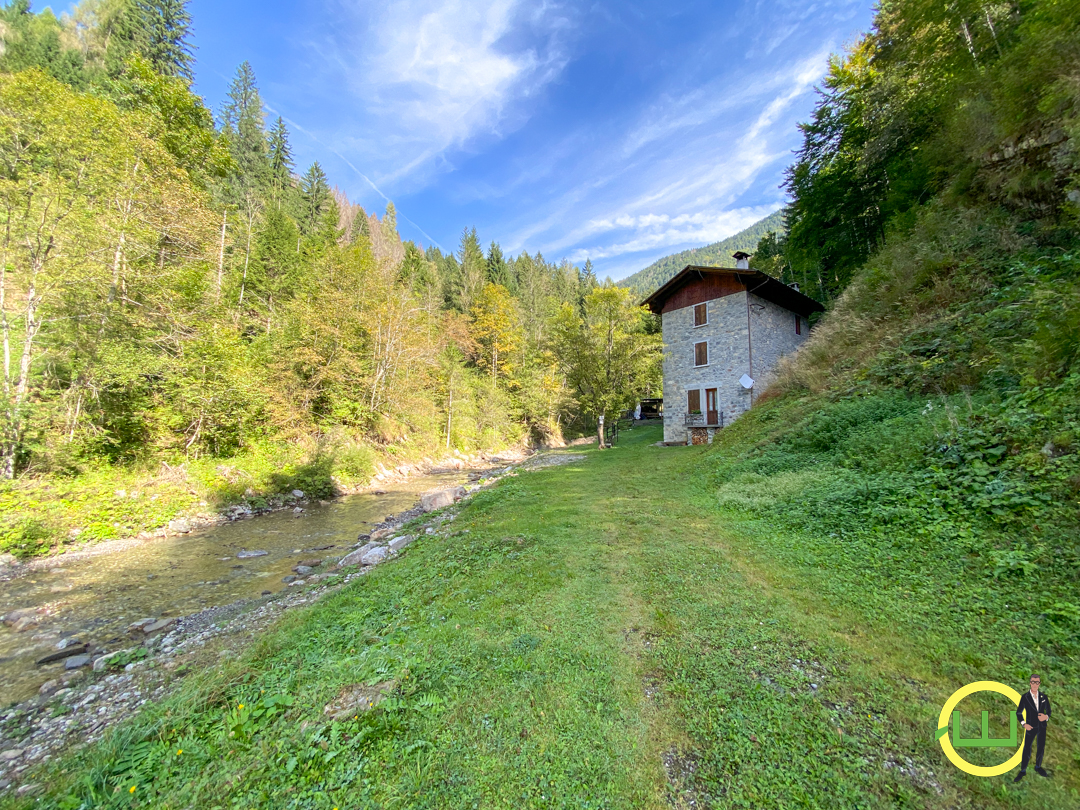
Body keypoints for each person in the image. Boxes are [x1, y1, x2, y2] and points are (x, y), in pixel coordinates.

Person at [1014, 674, 1051, 781]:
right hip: (1031, 726)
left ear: (1039, 684)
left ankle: (1038, 766)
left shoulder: (1044, 697)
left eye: (1037, 682)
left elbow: (1048, 711)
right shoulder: (1025, 697)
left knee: (1041, 746)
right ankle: (1023, 770)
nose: (1035, 684)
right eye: (1033, 682)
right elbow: (1019, 712)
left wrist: (1046, 717)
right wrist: (1024, 724)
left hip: (1042, 726)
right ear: (1030, 683)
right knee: (1027, 748)